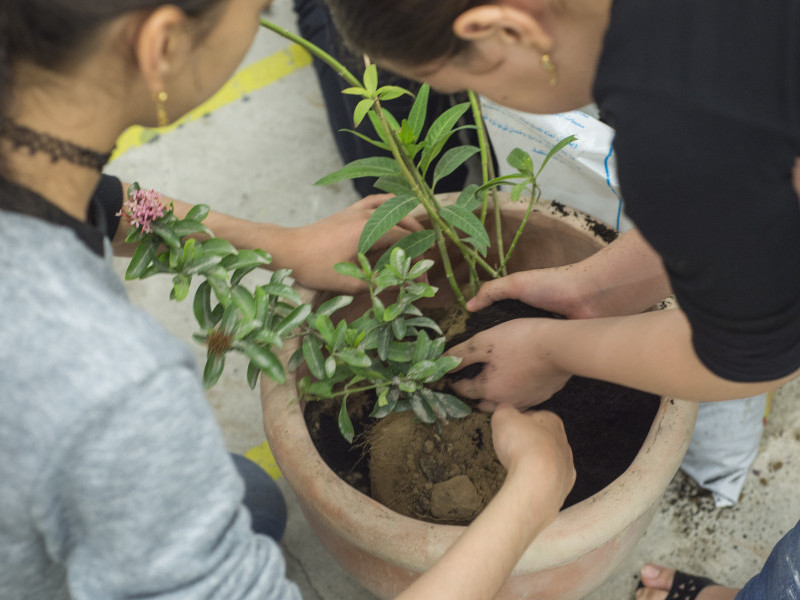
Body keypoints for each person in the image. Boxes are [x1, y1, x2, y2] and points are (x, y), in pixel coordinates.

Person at [0, 2, 576, 600]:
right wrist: (531, 496)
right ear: (163, 45)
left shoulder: (30, 148)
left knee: (251, 503)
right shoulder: (111, 387)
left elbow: (102, 201)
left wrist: (283, 245)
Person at [322, 0, 800, 598]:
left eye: (469, 81)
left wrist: (553, 350)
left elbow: (750, 354)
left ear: (505, 29)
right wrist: (594, 289)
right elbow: (758, 187)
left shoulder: (674, 124)